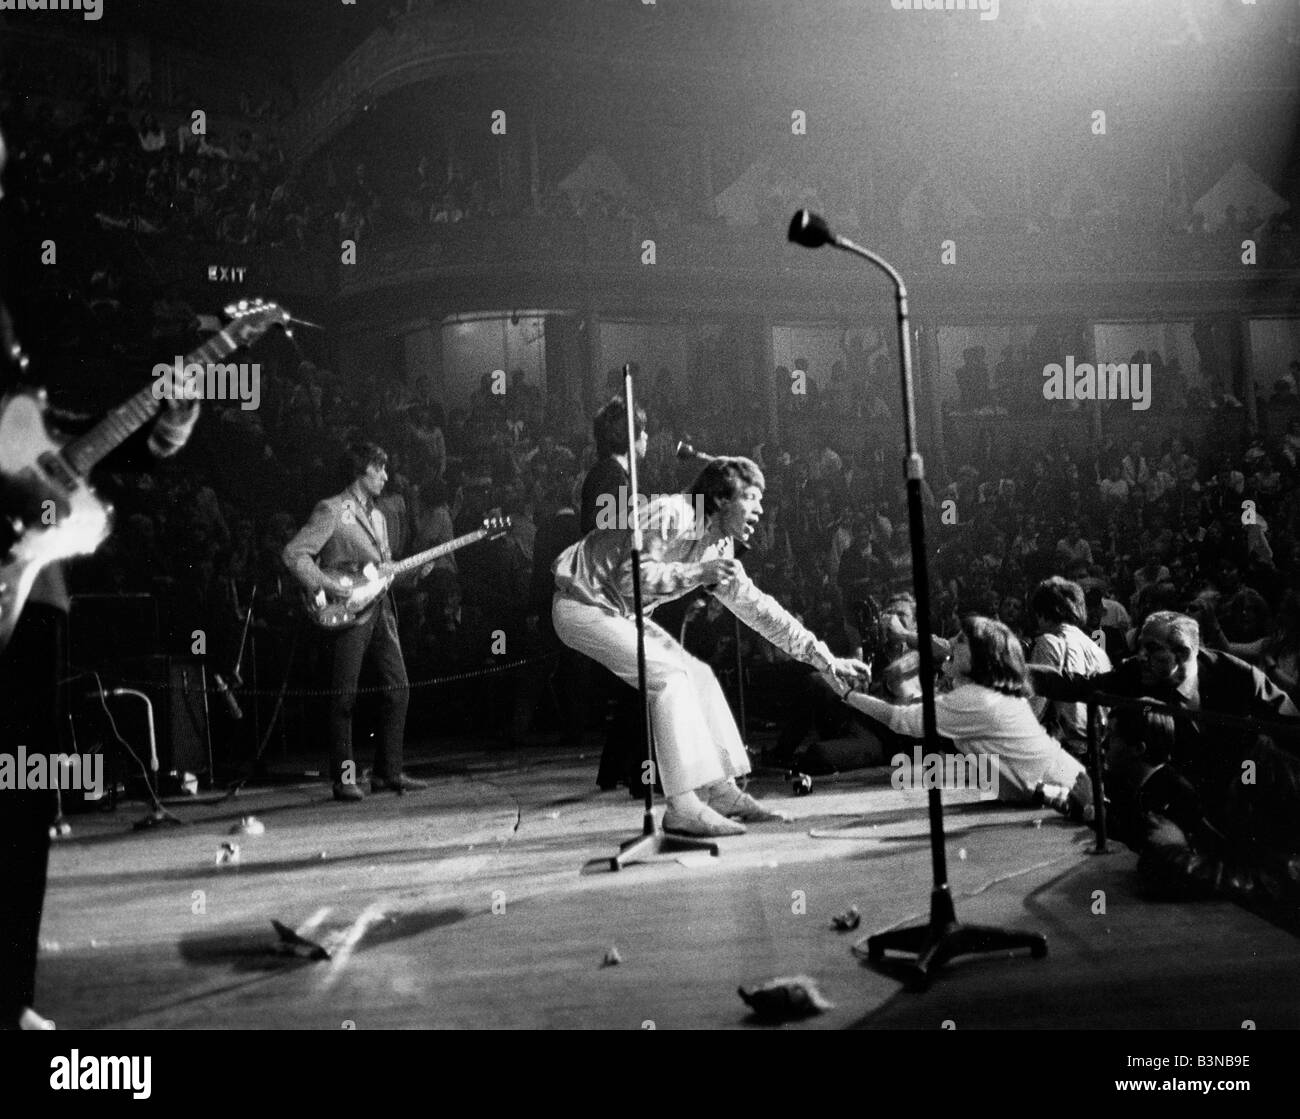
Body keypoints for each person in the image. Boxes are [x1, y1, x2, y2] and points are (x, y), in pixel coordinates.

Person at [1, 121, 203, 1030]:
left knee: (15, 798)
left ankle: (8, 1000)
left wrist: (164, 425)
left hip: (26, 583)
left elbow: (48, 436)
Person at [551, 456, 869, 837]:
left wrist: (823, 657)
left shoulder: (716, 544)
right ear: (720, 498)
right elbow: (629, 578)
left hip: (620, 613)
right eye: (751, 497)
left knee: (698, 675)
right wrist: (696, 573)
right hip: (581, 605)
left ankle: (721, 792)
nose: (761, 508)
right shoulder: (671, 514)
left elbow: (759, 610)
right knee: (670, 678)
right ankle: (682, 807)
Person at [1028, 611, 1300, 900]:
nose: (1140, 655)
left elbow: (1291, 726)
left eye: (1152, 649)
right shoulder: (1135, 673)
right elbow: (1080, 685)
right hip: (1184, 787)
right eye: (1140, 646)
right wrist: (1019, 672)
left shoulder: (1236, 675)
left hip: (1243, 791)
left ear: (1183, 653)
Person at [283, 443, 430, 801]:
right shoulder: (332, 509)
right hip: (347, 611)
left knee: (398, 686)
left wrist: (411, 573)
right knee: (344, 695)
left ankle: (387, 773)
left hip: (381, 608)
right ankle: (344, 776)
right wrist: (330, 585)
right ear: (360, 471)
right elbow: (294, 554)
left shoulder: (379, 517)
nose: (385, 476)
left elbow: (382, 570)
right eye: (378, 469)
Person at [839, 615, 1092, 814]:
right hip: (1065, 787)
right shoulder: (984, 694)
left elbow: (902, 720)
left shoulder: (976, 698)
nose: (951, 643)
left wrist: (848, 694)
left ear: (980, 657)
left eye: (960, 640)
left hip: (1072, 793)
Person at [1027, 576, 1112, 758]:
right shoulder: (1097, 650)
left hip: (1062, 749)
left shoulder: (1049, 642)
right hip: (1095, 750)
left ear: (1041, 612)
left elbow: (1035, 706)